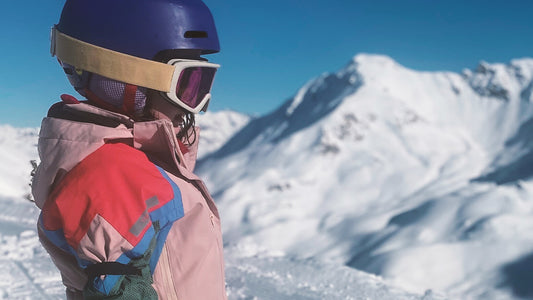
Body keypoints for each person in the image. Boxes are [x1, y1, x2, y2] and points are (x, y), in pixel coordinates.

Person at [31, 0, 227, 299]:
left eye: (202, 84)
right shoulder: (115, 177)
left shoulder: (131, 158)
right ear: (123, 80)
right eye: (187, 84)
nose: (195, 105)